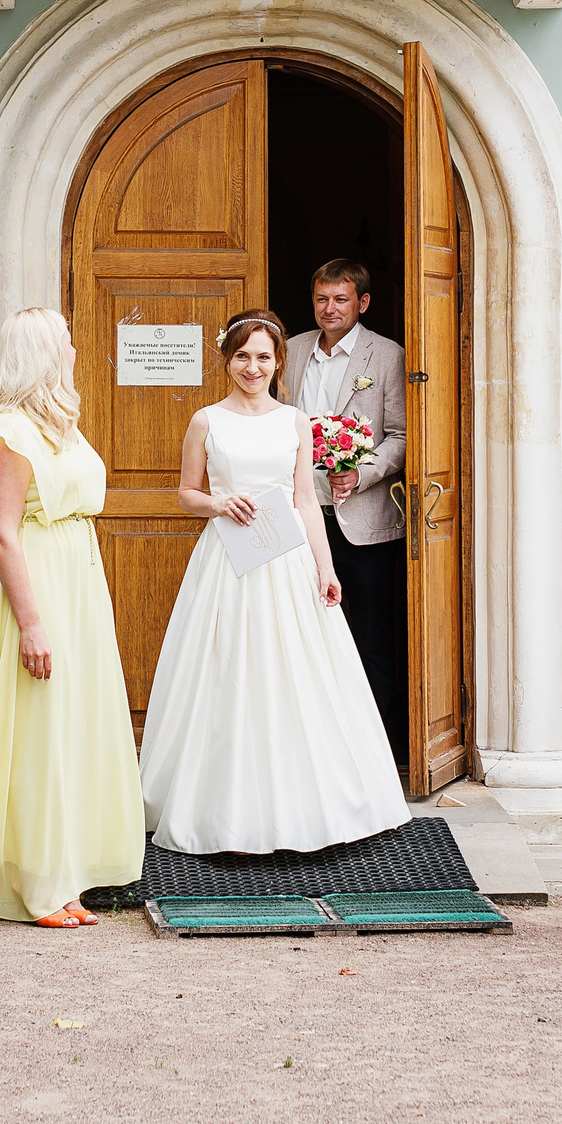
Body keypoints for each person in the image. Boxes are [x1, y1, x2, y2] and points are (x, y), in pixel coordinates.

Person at [141, 310, 410, 854]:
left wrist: (326, 569)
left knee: (295, 672)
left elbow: (306, 500)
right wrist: (217, 502)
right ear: (227, 360)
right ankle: (222, 808)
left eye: (263, 356)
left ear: (278, 361)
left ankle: (304, 805)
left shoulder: (295, 421)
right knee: (228, 671)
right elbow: (185, 493)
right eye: (242, 355)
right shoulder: (205, 421)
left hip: (286, 561)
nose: (252, 366)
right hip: (226, 562)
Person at [0, 307, 145, 926]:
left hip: (79, 579)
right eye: (67, 343)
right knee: (40, 728)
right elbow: (2, 533)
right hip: (40, 587)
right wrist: (31, 622)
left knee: (74, 724)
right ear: (44, 354)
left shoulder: (62, 425)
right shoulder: (9, 433)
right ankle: (40, 884)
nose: (76, 351)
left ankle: (70, 871)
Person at [278, 259, 410, 762]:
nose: (329, 309)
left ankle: (375, 751)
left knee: (373, 639)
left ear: (363, 303)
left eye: (340, 300)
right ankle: (314, 751)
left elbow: (400, 433)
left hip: (365, 522)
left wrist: (363, 470)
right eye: (321, 299)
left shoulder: (387, 355)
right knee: (303, 633)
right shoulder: (290, 352)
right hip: (299, 516)